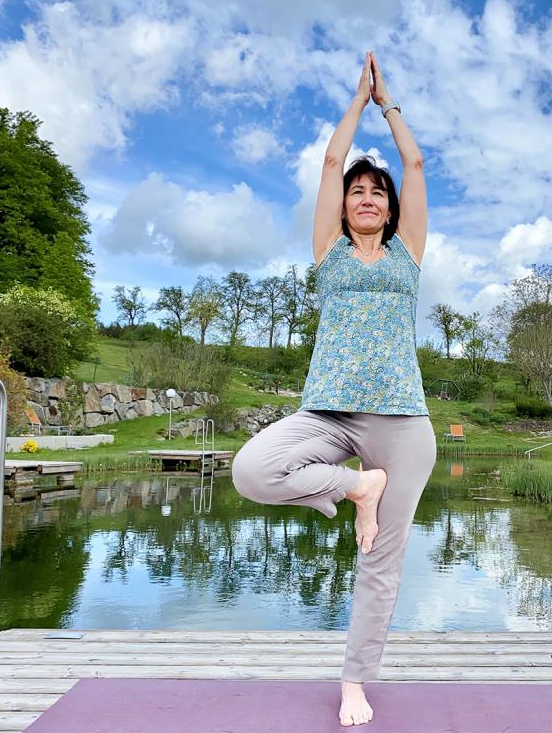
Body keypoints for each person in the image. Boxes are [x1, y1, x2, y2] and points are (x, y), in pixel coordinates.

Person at [231, 50, 436, 727]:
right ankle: (354, 489)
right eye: (358, 191)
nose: (368, 196)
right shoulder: (328, 253)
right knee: (252, 470)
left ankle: (355, 680)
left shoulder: (407, 251)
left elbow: (416, 166)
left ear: (390, 207)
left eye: (377, 191)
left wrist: (389, 104)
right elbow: (328, 164)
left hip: (401, 421)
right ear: (345, 208)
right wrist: (355, 101)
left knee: (380, 559)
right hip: (327, 413)